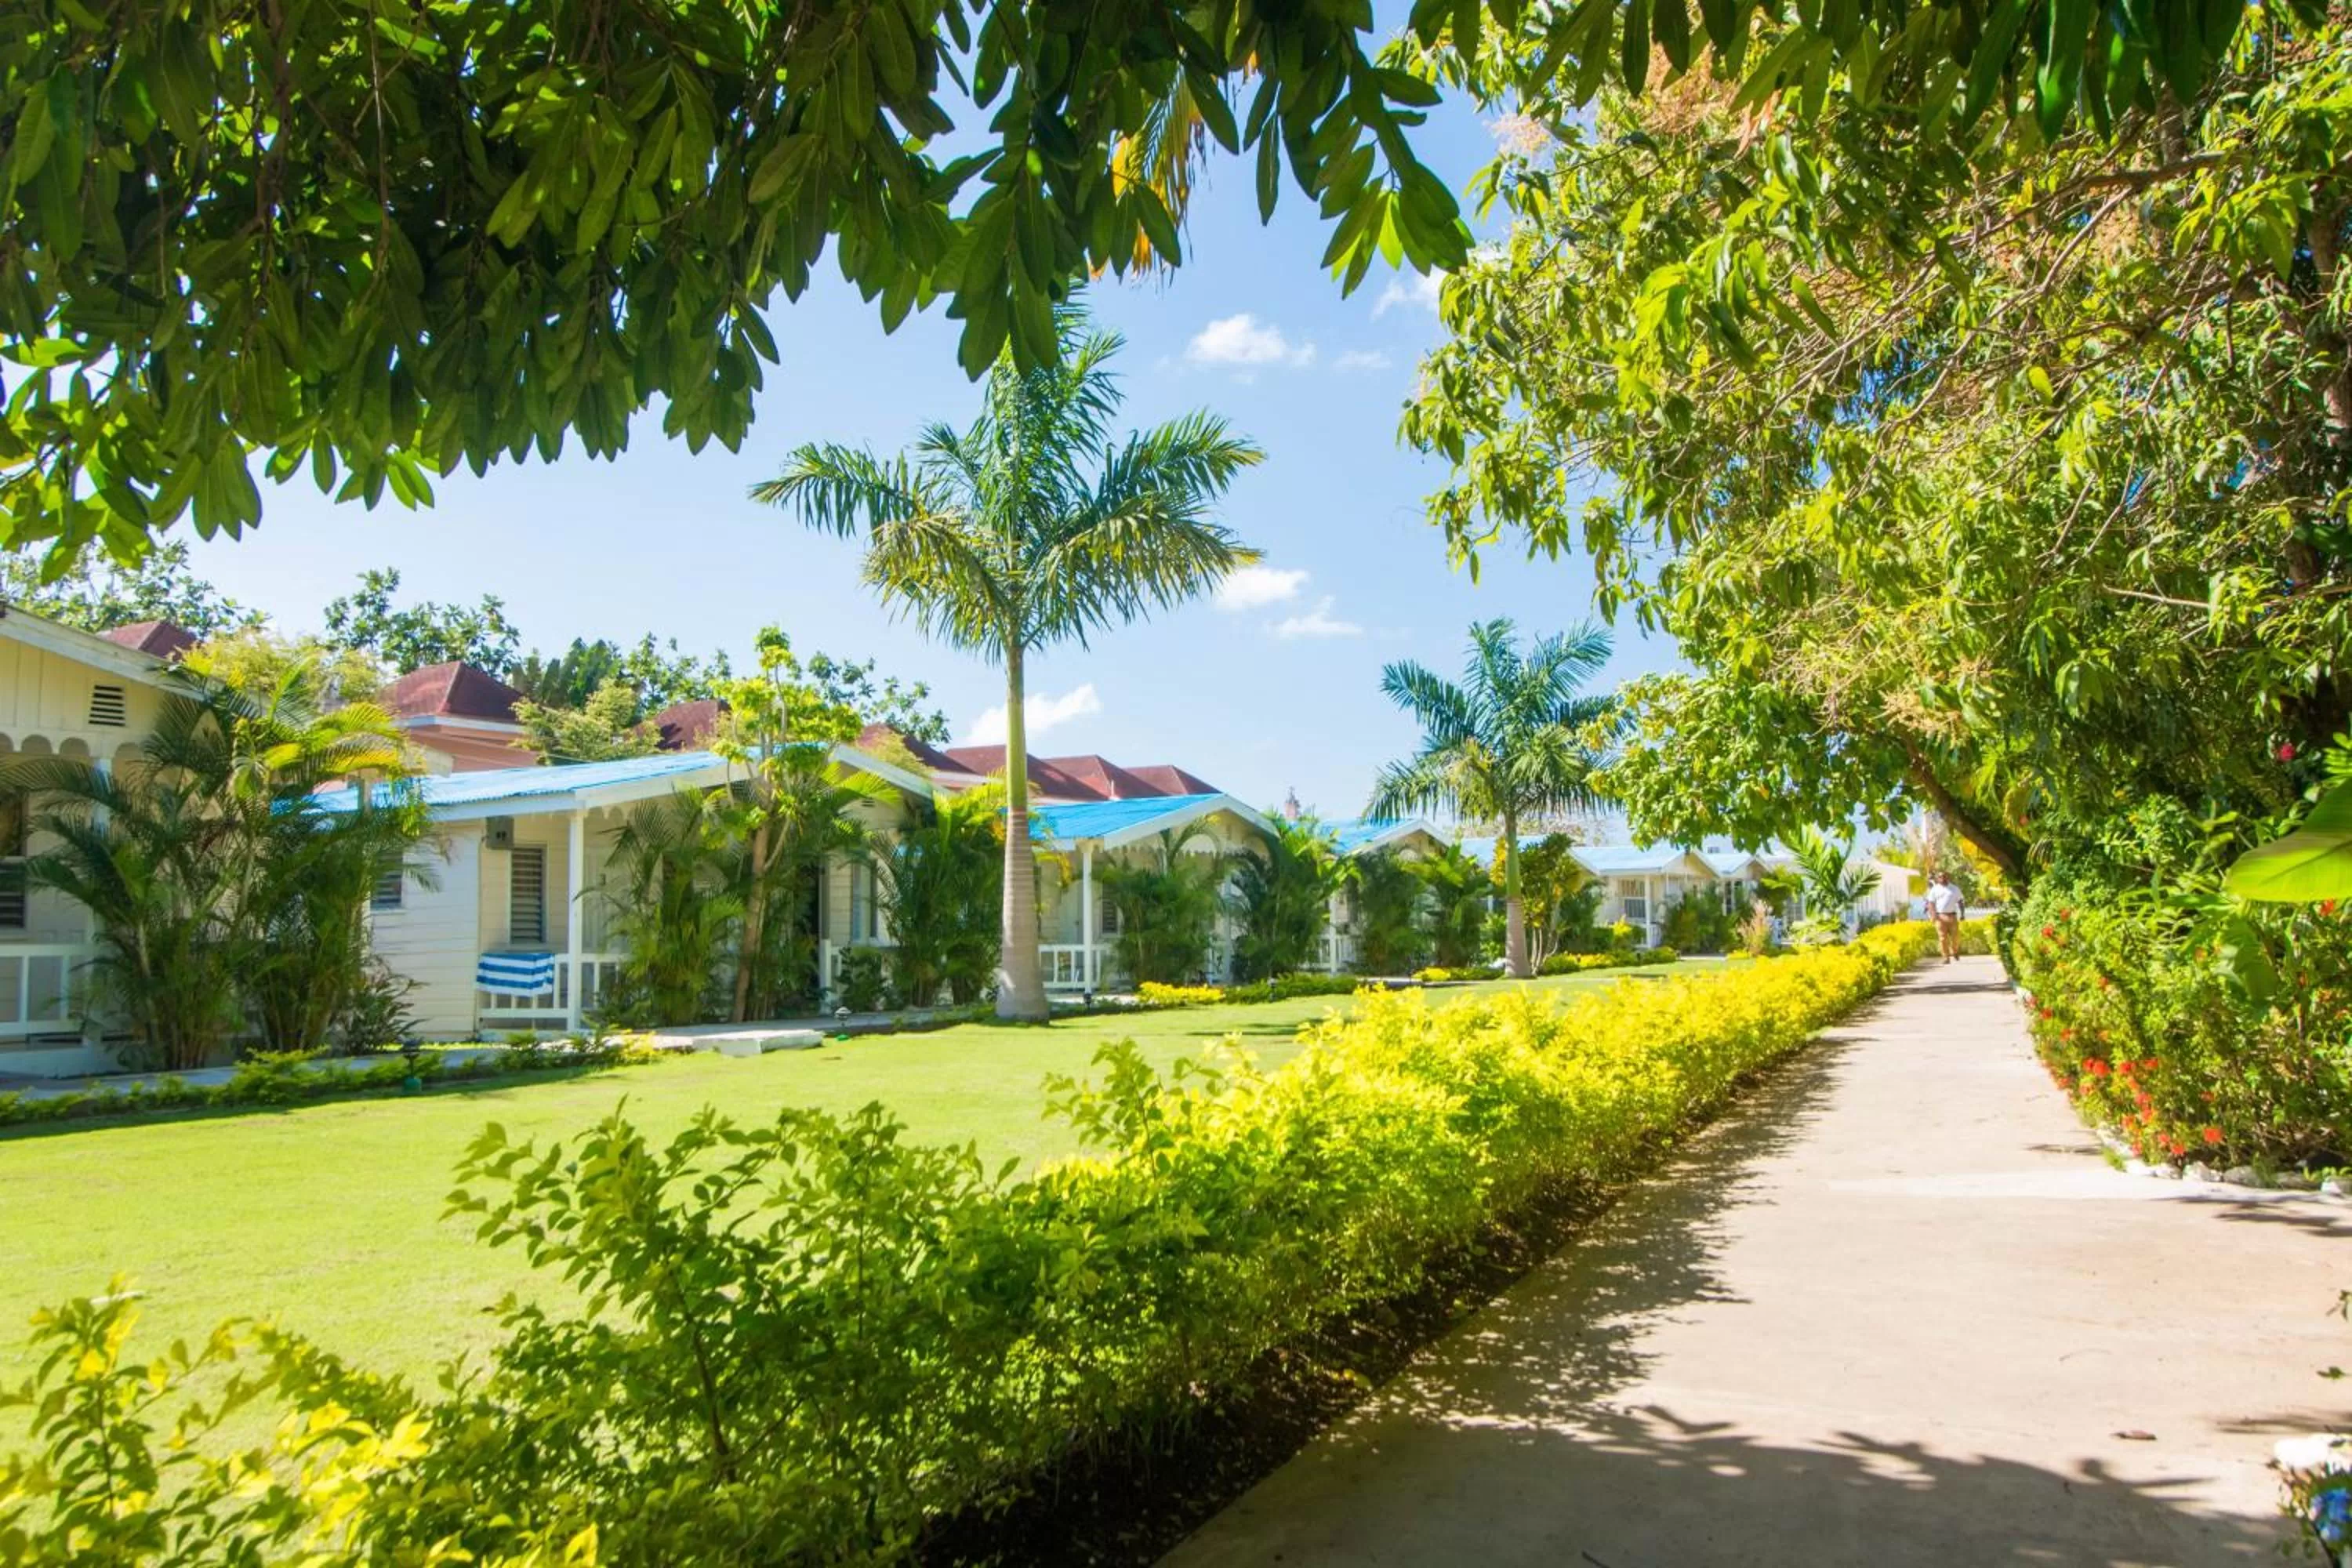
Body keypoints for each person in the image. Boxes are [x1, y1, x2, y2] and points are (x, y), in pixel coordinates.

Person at [1925, 870, 1965, 962]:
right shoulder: (1935, 889)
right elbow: (1931, 903)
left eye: (1944, 876)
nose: (1942, 878)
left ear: (1948, 877)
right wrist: (1933, 915)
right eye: (1940, 877)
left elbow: (1961, 901)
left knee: (1955, 937)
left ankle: (1955, 951)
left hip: (1952, 917)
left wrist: (1962, 914)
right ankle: (1946, 957)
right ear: (1937, 879)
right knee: (1942, 938)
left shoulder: (1955, 889)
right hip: (1940, 917)